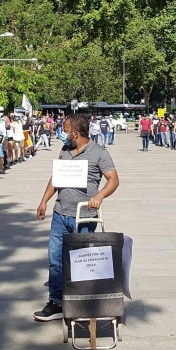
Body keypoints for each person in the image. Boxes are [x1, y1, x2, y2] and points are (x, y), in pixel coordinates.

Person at [34, 114, 120, 322]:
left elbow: (114, 180)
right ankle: (56, 302)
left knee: (81, 263)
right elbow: (56, 178)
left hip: (84, 217)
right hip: (60, 214)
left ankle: (81, 303)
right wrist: (44, 201)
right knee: (55, 260)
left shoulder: (98, 152)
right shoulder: (65, 150)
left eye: (65, 130)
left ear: (77, 132)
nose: (63, 134)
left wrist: (99, 196)